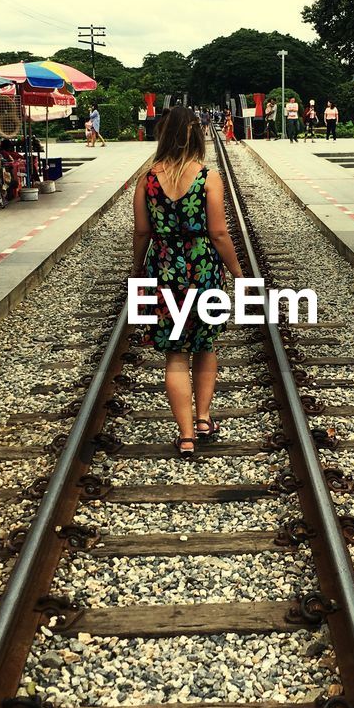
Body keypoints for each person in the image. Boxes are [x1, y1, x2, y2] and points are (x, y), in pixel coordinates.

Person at [132, 106, 244, 457]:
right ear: (196, 135)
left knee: (176, 353)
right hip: (202, 268)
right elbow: (219, 232)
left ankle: (184, 436)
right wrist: (239, 273)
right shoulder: (208, 177)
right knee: (206, 344)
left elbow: (141, 232)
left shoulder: (147, 179)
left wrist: (137, 271)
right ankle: (204, 418)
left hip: (164, 269)